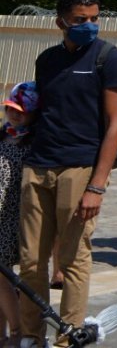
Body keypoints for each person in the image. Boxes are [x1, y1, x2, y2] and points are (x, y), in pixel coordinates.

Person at [20, 0, 117, 347]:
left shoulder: (110, 59)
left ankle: (67, 337)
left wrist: (96, 185)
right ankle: (29, 336)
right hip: (38, 165)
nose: (90, 25)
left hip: (80, 167)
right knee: (31, 262)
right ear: (61, 22)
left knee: (72, 258)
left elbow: (115, 125)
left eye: (95, 18)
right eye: (81, 19)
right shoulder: (47, 59)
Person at [0, 83, 37, 348]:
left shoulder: (33, 143)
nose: (14, 115)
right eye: (11, 109)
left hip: (11, 216)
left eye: (21, 112)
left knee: (2, 275)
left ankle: (16, 331)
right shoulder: (3, 135)